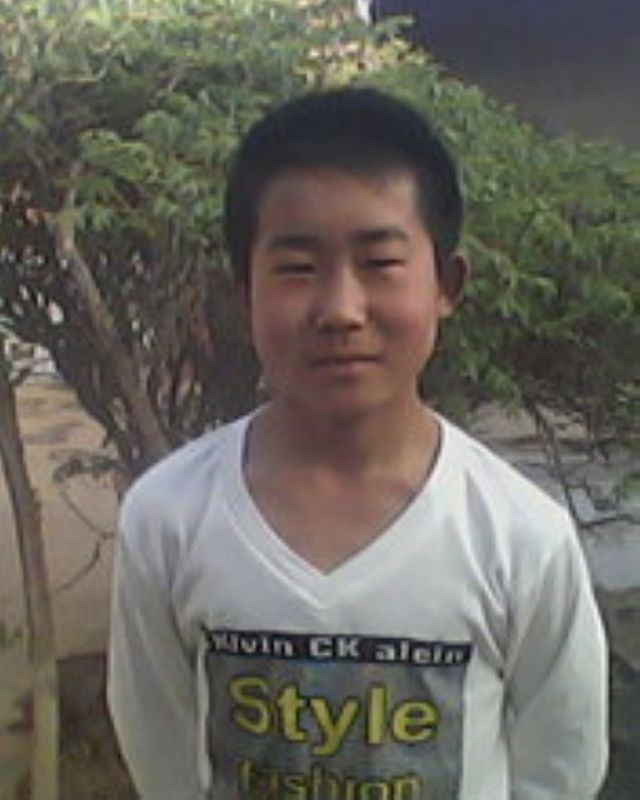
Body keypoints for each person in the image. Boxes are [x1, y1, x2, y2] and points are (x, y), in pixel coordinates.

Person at [108, 87, 608, 799]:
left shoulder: (521, 538)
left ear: (447, 284)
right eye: (297, 268)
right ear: (243, 290)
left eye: (379, 263)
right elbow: (162, 756)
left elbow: (559, 768)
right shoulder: (167, 519)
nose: (341, 310)